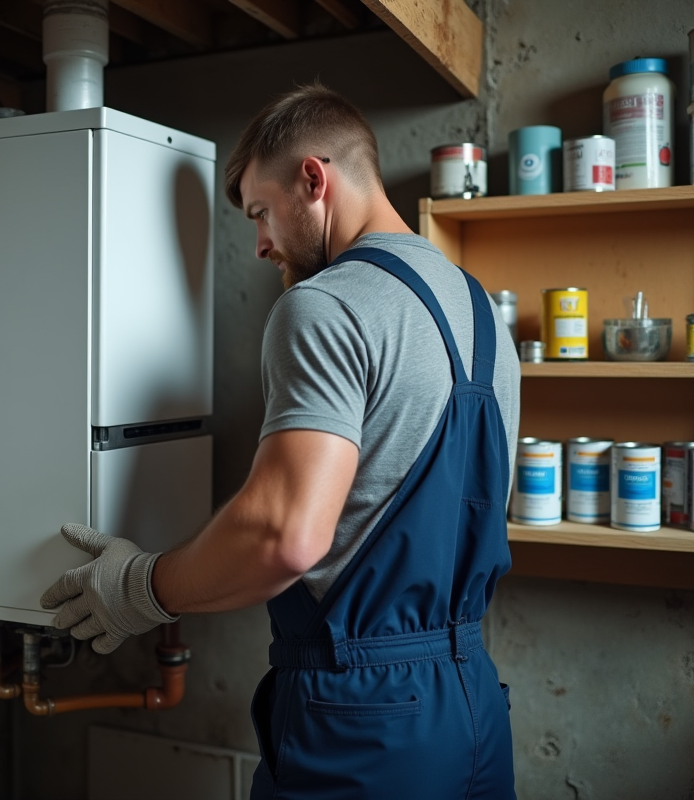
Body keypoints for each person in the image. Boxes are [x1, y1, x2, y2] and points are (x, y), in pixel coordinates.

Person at [41, 84, 520, 798]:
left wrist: (140, 588)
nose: (262, 244)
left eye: (261, 213)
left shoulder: (325, 306)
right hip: (474, 705)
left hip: (365, 719)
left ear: (313, 180)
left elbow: (284, 537)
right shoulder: (481, 311)